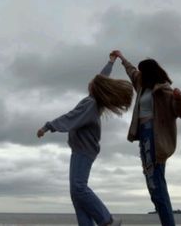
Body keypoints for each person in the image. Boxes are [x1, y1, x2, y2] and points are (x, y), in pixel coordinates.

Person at [37, 53, 133, 226]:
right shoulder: (94, 101)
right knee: (76, 193)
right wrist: (110, 62)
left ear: (95, 88)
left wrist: (48, 126)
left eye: (92, 82)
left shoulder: (90, 103)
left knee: (79, 188)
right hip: (81, 150)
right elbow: (102, 78)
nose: (89, 82)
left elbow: (70, 117)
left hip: (84, 150)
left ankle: (107, 221)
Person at [109, 50, 181, 226]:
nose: (140, 73)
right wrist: (122, 58)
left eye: (143, 71)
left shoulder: (165, 91)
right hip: (145, 137)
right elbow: (132, 71)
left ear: (150, 73)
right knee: (154, 187)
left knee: (157, 187)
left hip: (156, 139)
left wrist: (180, 98)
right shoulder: (141, 85)